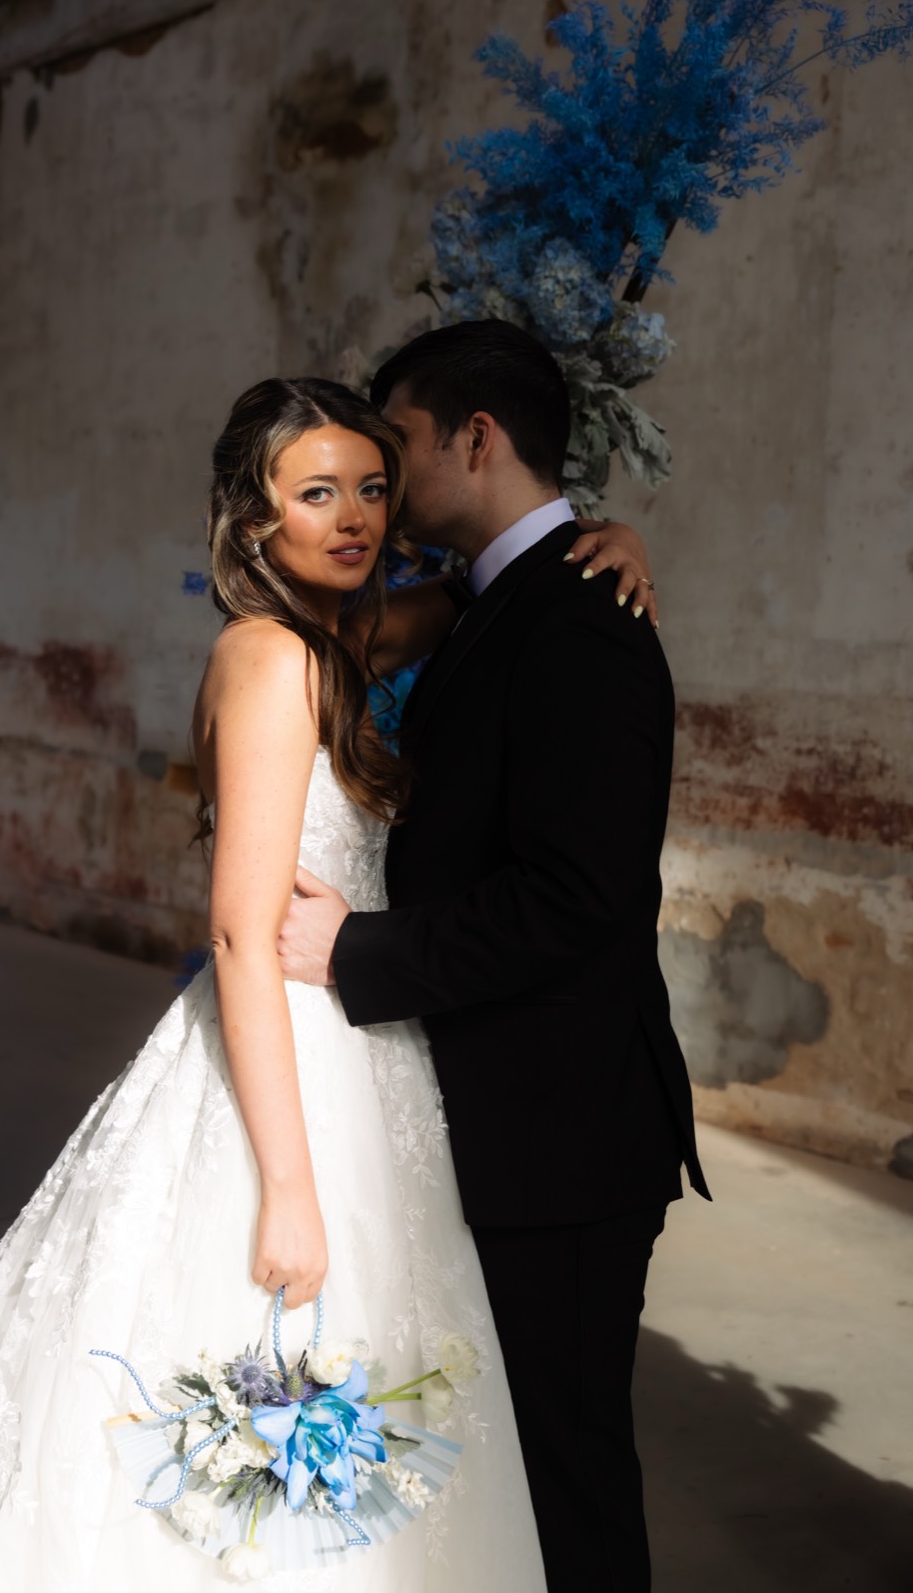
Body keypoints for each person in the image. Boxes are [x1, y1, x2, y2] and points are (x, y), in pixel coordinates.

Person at [0, 373, 655, 1592]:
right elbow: (238, 935)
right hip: (286, 1038)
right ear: (253, 522)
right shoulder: (274, 659)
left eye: (373, 488)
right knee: (263, 1380)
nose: (354, 517)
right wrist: (287, 1187)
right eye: (317, 493)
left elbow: (458, 598)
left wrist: (594, 540)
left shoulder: (336, 631)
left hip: (362, 1037)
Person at [277, 322, 712, 1593]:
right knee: (501, 1470)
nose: (377, 478)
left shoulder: (579, 619)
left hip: (565, 1136)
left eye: (394, 449)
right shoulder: (503, 590)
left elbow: (578, 898)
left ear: (475, 439)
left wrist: (358, 954)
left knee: (563, 1475)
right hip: (502, 1114)